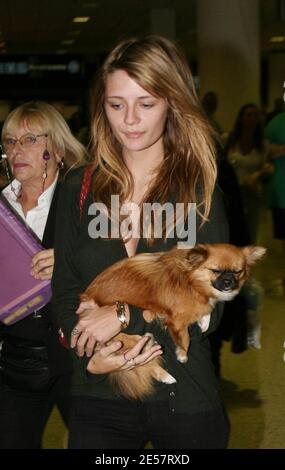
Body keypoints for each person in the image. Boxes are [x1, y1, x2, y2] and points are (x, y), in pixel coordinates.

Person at [52, 35, 230, 450]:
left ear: (172, 103)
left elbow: (211, 304)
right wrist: (87, 354)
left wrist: (124, 314)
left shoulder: (198, 193)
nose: (130, 119)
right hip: (100, 395)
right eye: (117, 105)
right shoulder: (79, 187)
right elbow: (63, 289)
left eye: (146, 104)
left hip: (183, 396)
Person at [0, 101, 87, 449]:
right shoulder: (2, 207)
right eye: (9, 141)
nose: (16, 150)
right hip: (14, 358)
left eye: (30, 139)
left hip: (78, 356)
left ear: (56, 146)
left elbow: (124, 262)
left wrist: (70, 260)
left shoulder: (84, 200)